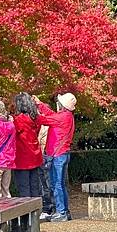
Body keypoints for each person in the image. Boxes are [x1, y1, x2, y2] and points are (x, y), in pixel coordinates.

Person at [33, 93, 77, 222]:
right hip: (62, 154)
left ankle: (61, 212)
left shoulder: (62, 117)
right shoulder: (66, 116)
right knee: (60, 184)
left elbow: (43, 119)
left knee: (56, 184)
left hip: (57, 155)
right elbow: (51, 114)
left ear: (62, 105)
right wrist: (39, 103)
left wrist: (32, 111)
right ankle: (64, 211)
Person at [12, 93, 43, 198]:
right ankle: (36, 212)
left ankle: (26, 214)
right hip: (35, 156)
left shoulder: (18, 120)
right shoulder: (35, 119)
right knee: (34, 187)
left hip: (22, 157)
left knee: (24, 187)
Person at [37, 124, 56, 220]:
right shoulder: (39, 126)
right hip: (41, 156)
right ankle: (47, 207)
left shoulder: (48, 127)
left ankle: (49, 208)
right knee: (43, 184)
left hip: (45, 155)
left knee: (47, 184)